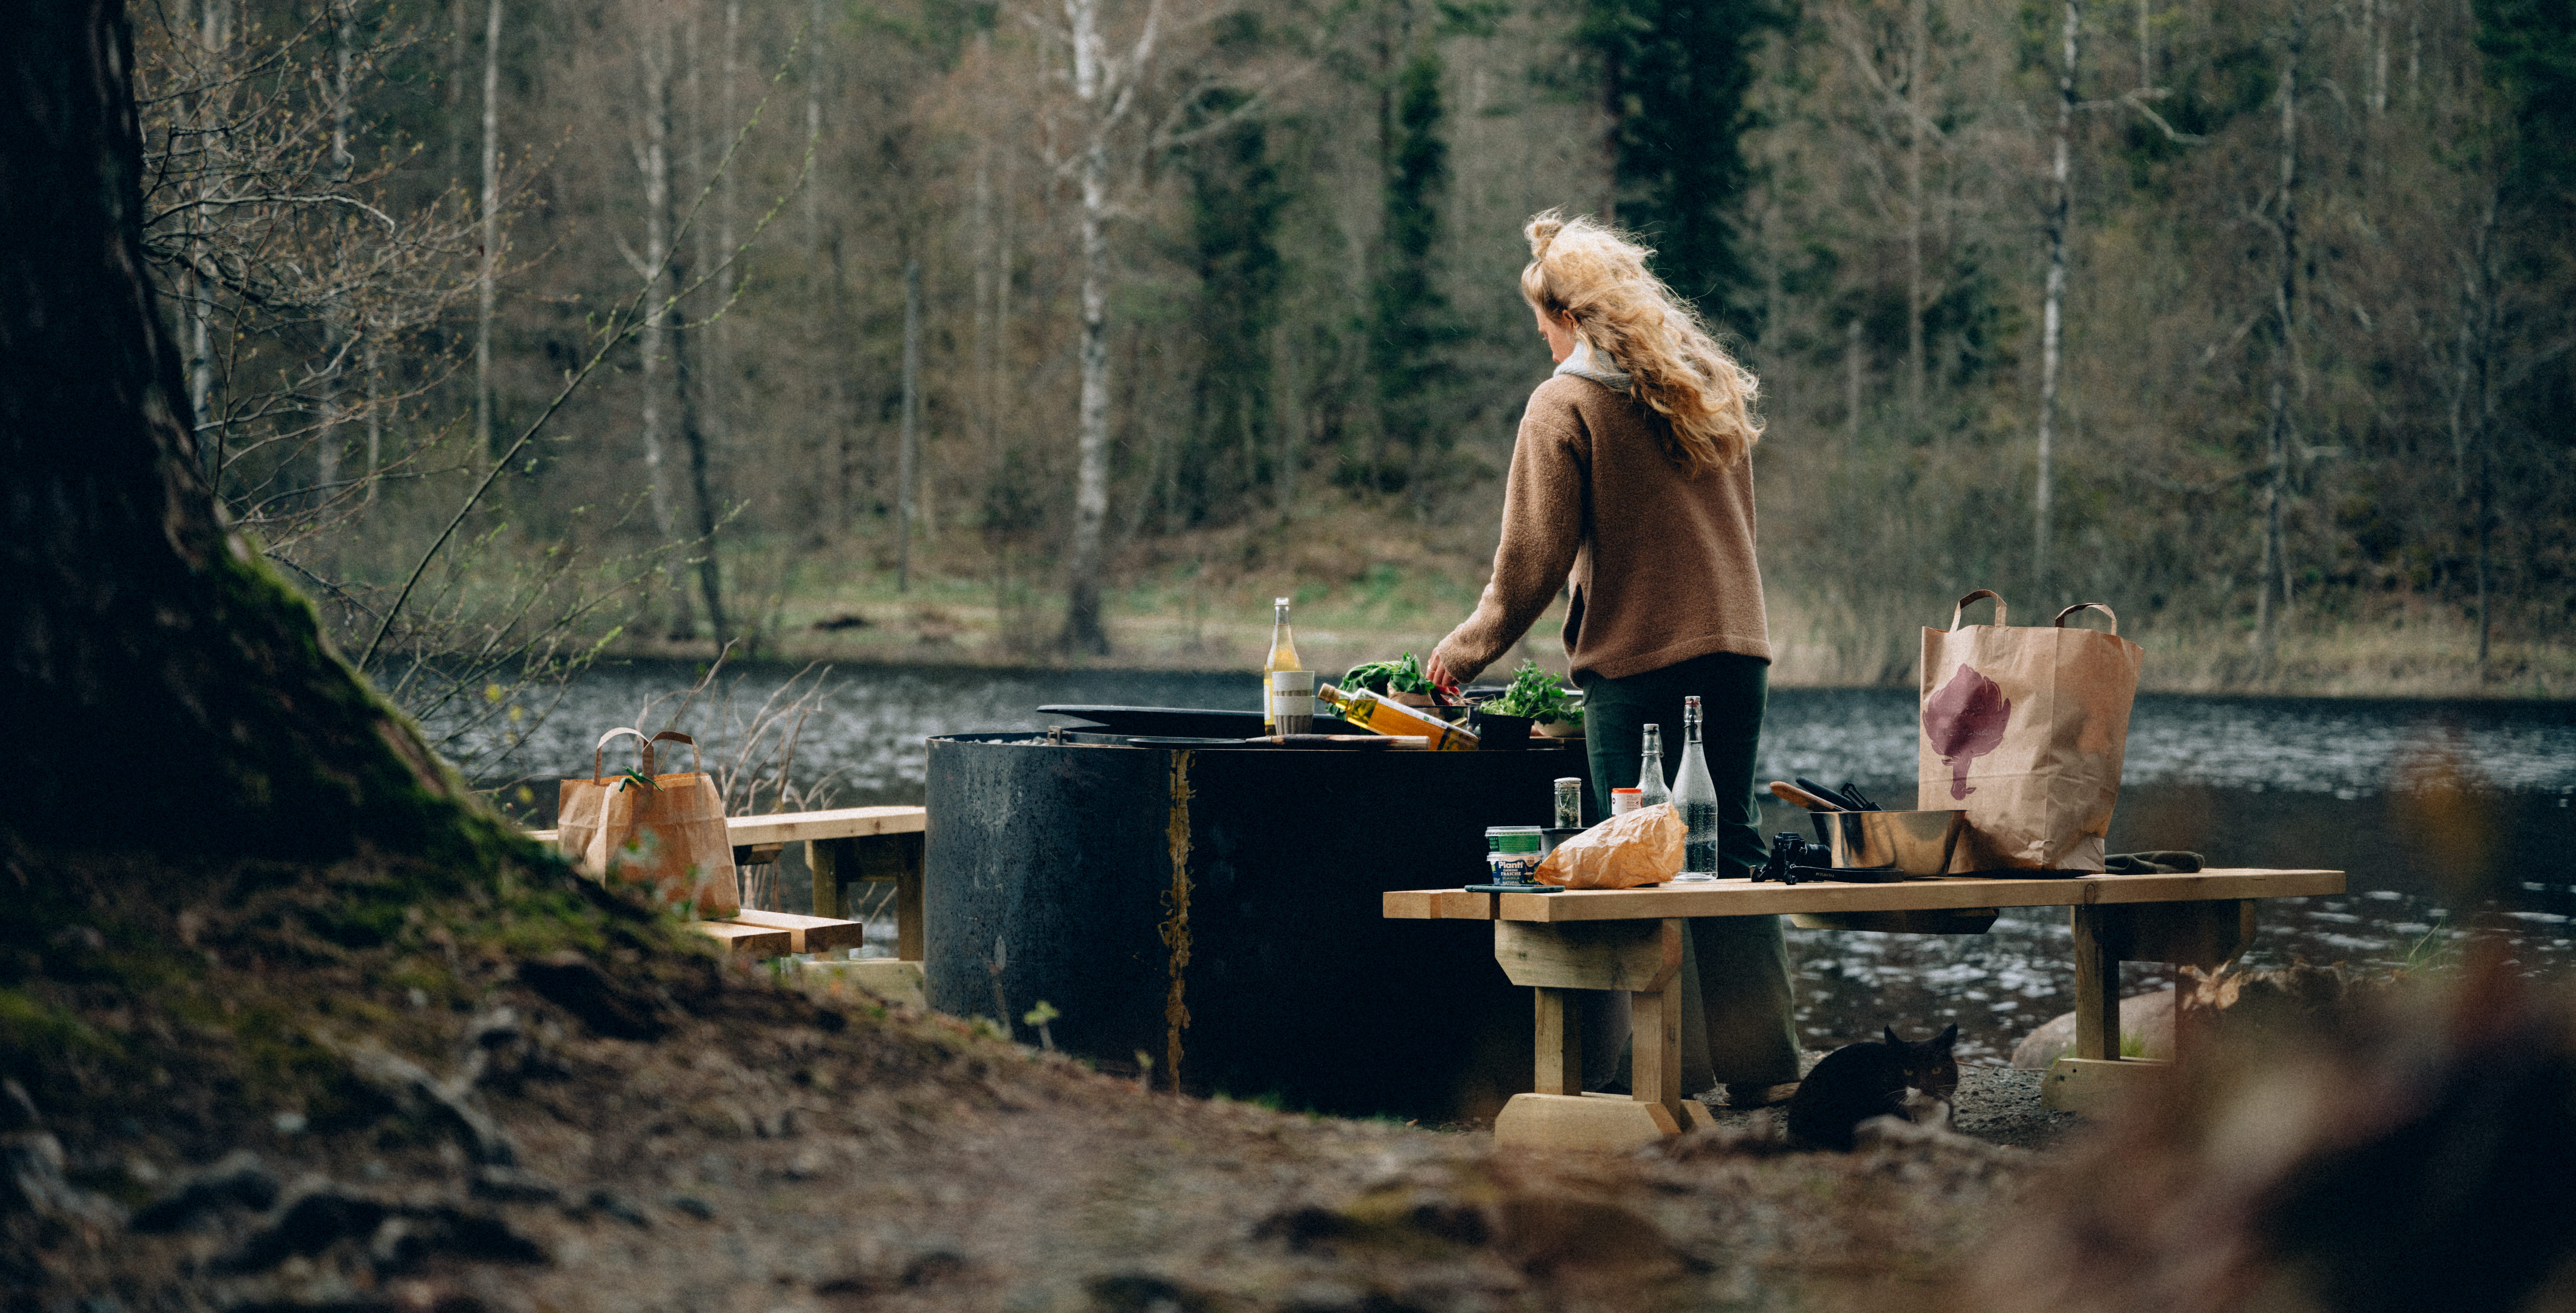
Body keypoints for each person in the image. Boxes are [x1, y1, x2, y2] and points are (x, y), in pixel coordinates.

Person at [1427, 211, 1799, 1108]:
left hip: (1636, 659)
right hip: (1736, 648)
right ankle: (1765, 1074)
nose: (1543, 342)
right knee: (1732, 849)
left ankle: (1656, 1078)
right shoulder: (1700, 385)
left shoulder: (1566, 402)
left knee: (1631, 859)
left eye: (1542, 322)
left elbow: (1532, 565)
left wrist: (1461, 655)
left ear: (1567, 313)